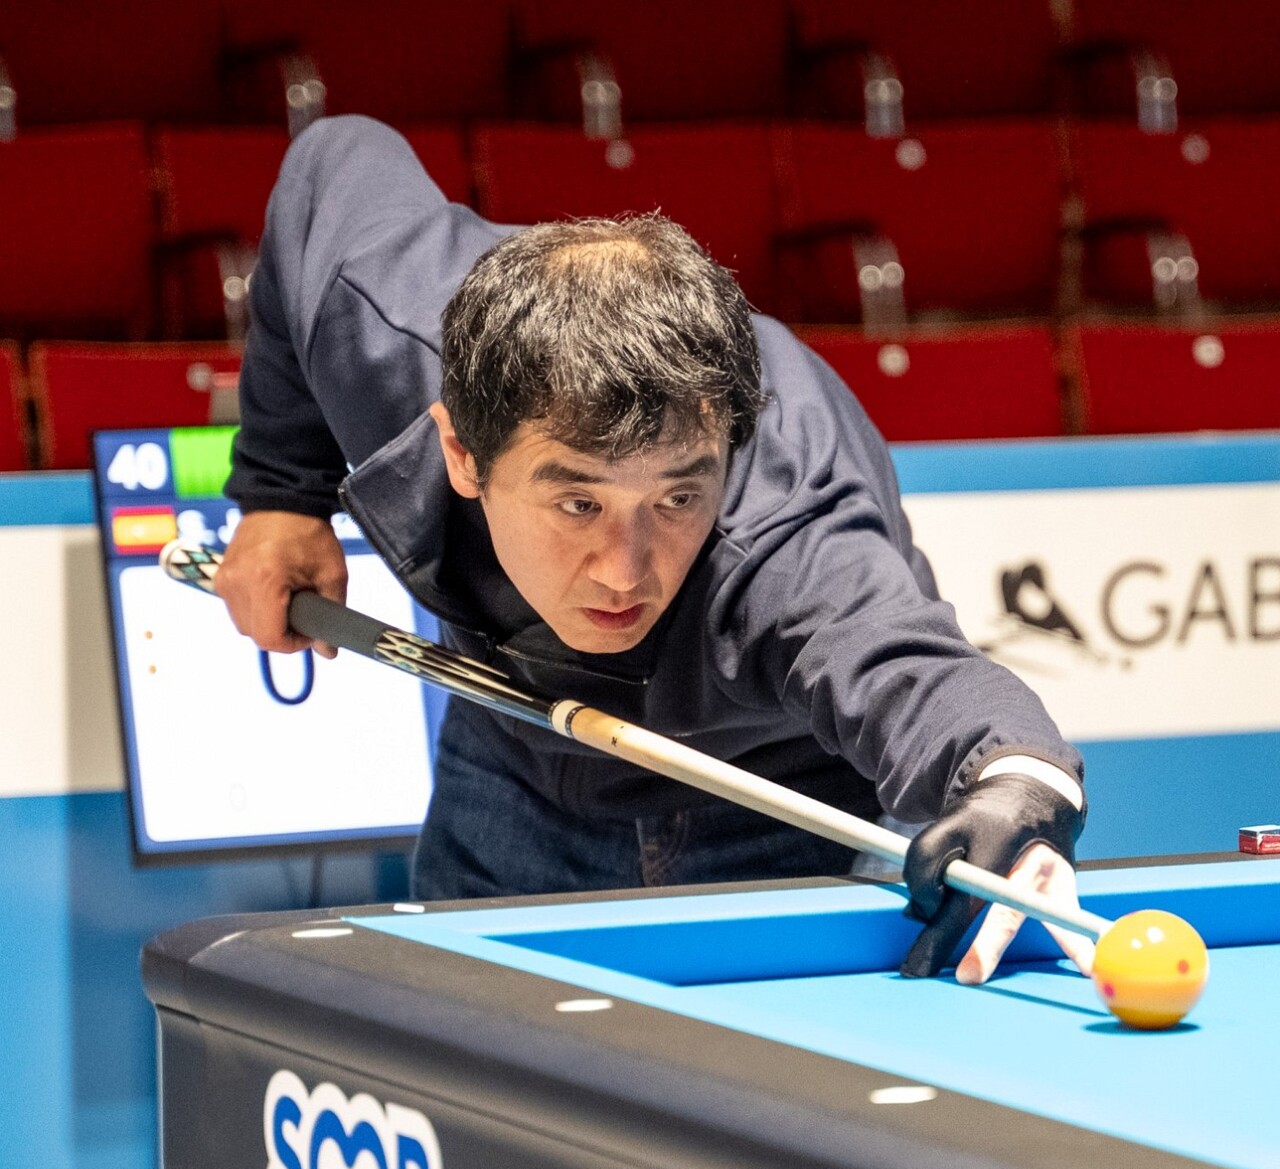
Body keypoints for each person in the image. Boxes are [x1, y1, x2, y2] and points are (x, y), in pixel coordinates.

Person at [212, 116, 1092, 984]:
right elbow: (332, 158)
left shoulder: (784, 540)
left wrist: (1018, 787)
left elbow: (918, 677)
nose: (625, 570)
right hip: (513, 759)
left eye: (676, 498)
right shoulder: (386, 323)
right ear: (462, 451)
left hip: (772, 809)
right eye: (578, 502)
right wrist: (281, 493)